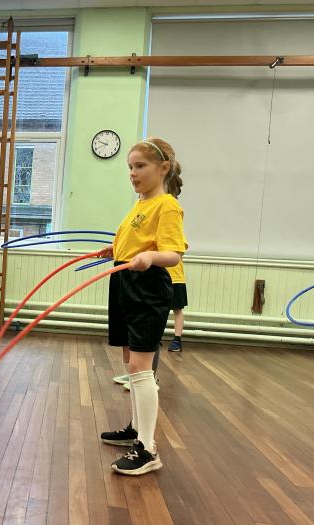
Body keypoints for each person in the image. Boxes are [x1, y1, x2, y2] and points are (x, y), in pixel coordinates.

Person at [98, 137, 187, 476]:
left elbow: (173, 253)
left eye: (140, 166)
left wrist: (149, 257)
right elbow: (137, 239)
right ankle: (136, 428)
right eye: (130, 167)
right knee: (129, 361)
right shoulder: (141, 204)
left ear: (163, 168)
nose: (133, 173)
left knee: (140, 366)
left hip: (147, 286)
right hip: (124, 280)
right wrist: (115, 248)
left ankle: (148, 449)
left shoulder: (167, 205)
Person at [167, 259, 186, 352]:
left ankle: (177, 340)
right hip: (158, 279)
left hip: (176, 279)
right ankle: (156, 338)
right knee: (157, 309)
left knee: (177, 309)